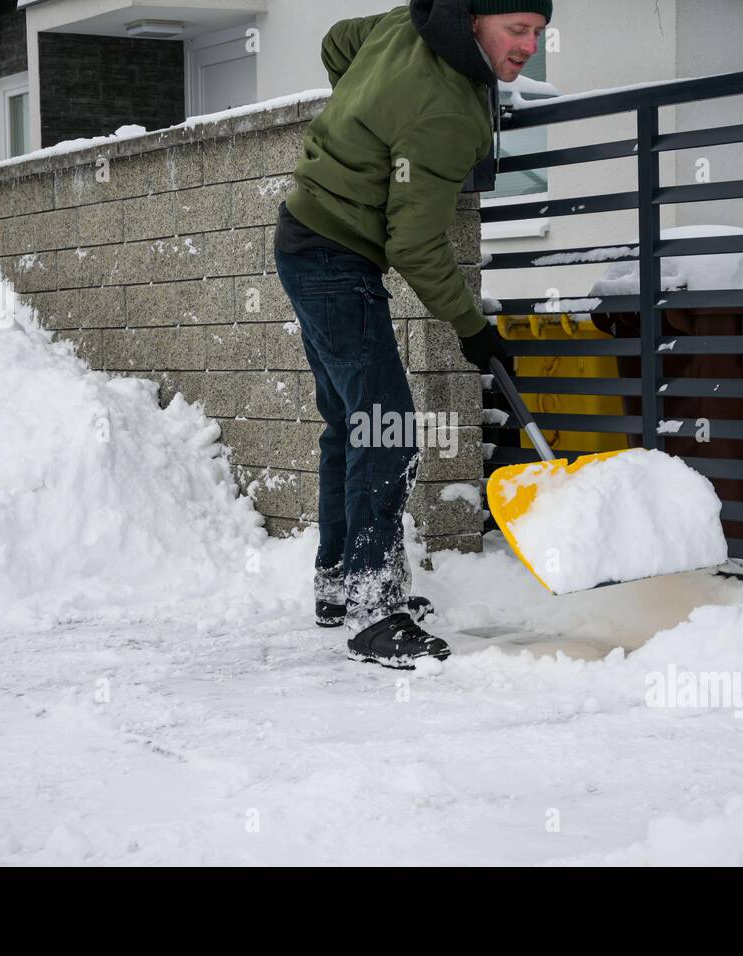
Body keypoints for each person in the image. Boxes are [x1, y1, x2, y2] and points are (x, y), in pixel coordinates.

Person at [273, 0, 551, 668]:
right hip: (336, 256)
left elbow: (339, 44)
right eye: (516, 29)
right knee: (386, 425)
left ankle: (341, 585)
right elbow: (416, 241)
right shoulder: (447, 112)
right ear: (478, 23)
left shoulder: (411, 24)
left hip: (304, 236)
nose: (529, 47)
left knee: (351, 424)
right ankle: (374, 613)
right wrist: (473, 327)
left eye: (539, 32)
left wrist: (369, 119)